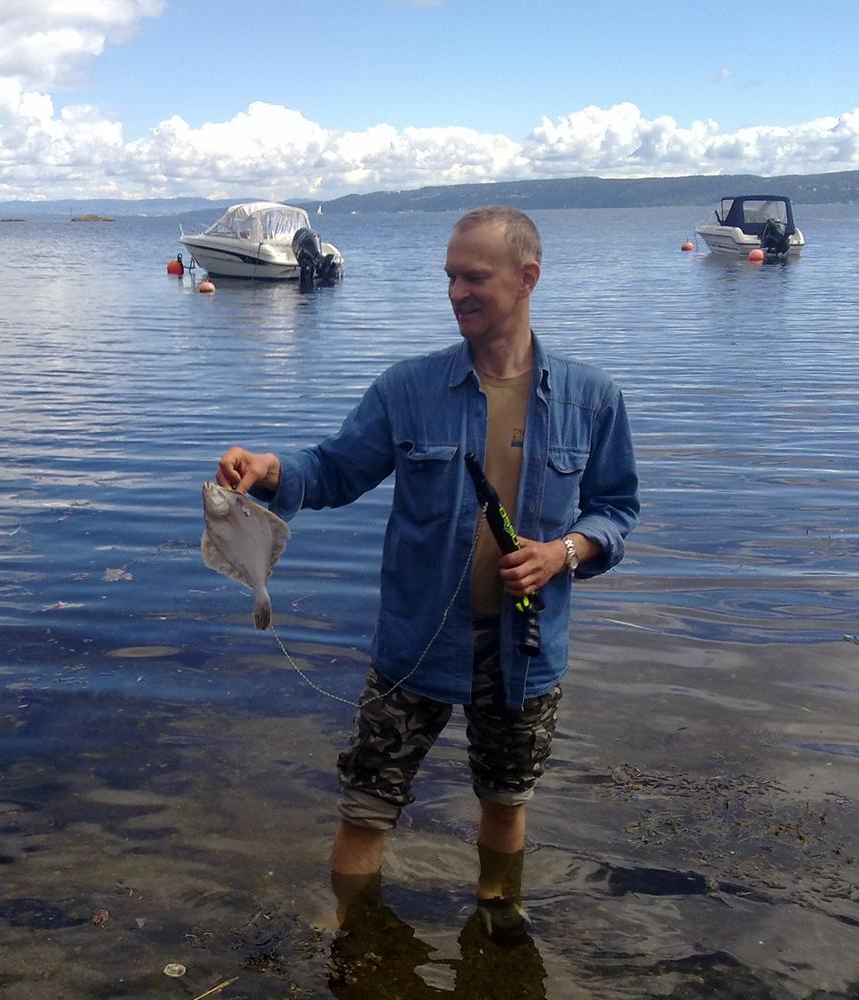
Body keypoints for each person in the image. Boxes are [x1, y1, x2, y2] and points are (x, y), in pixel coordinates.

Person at [217, 206, 638, 934]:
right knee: (366, 804)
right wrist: (270, 467)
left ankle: (496, 925)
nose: (456, 292)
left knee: (505, 800)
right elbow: (335, 470)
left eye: (474, 277)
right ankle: (351, 940)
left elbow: (616, 508)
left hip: (525, 651)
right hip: (415, 644)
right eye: (450, 277)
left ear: (527, 278)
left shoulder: (591, 398)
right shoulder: (407, 389)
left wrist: (563, 552)